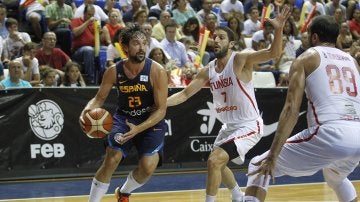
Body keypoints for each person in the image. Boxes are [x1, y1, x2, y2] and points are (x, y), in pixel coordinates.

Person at [167, 6, 290, 202]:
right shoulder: (209, 69)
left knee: (214, 161)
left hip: (249, 124)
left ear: (231, 43)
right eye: (215, 37)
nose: (216, 40)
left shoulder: (240, 59)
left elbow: (274, 53)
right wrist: (160, 105)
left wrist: (278, 28)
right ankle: (237, 196)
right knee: (217, 163)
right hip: (229, 126)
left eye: (221, 37)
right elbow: (184, 94)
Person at [243, 15, 360, 202]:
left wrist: (272, 155)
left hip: (331, 133)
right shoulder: (352, 61)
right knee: (336, 177)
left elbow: (291, 110)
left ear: (314, 37)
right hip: (357, 136)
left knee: (258, 166)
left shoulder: (307, 58)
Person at [79, 24, 168, 202]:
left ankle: (124, 192)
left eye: (144, 43)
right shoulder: (113, 71)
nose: (142, 47)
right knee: (112, 158)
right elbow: (98, 98)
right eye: (136, 43)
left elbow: (161, 110)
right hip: (124, 118)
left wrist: (138, 128)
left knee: (148, 167)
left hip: (150, 122)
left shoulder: (157, 71)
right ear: (125, 47)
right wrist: (86, 111)